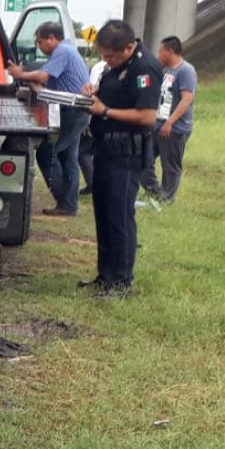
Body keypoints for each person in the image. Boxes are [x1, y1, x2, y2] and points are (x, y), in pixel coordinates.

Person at [81, 20, 162, 300]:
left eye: (111, 56)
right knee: (103, 214)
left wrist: (105, 112)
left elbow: (147, 116)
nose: (107, 61)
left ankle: (122, 282)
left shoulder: (145, 68)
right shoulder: (116, 68)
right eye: (104, 56)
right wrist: (95, 96)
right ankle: (106, 276)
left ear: (129, 47)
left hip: (126, 154)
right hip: (105, 149)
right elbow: (112, 98)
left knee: (119, 218)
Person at [8, 22, 91, 216]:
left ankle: (63, 199)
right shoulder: (67, 51)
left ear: (52, 38)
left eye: (40, 42)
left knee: (47, 153)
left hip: (72, 111)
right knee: (67, 156)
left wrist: (21, 74)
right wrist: (30, 78)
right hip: (77, 111)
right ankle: (68, 205)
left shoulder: (62, 51)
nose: (39, 46)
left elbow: (44, 76)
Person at [139, 36, 197, 204]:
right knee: (144, 158)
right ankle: (153, 191)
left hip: (175, 127)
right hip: (157, 124)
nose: (159, 55)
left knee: (170, 164)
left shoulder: (186, 71)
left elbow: (187, 99)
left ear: (170, 51)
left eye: (161, 51)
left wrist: (170, 122)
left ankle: (167, 198)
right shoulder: (165, 71)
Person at [78, 60, 108, 196]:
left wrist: (87, 121)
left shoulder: (100, 68)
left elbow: (92, 96)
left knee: (84, 151)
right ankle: (94, 184)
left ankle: (94, 184)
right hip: (98, 118)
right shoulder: (100, 67)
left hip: (100, 118)